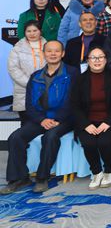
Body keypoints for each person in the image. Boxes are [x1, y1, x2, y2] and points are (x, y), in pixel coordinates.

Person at [0, 41, 77, 194]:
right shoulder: (35, 76)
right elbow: (29, 105)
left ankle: (42, 178)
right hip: (41, 118)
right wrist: (41, 120)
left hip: (64, 119)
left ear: (63, 54)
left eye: (57, 51)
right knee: (15, 137)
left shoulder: (72, 73)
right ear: (44, 54)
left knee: (50, 136)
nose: (53, 54)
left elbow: (73, 101)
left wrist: (57, 119)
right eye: (49, 51)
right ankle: (19, 178)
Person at [70, 46, 111, 190]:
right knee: (89, 142)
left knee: (104, 142)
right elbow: (74, 105)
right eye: (93, 57)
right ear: (88, 61)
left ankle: (109, 171)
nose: (97, 60)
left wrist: (108, 122)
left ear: (106, 60)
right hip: (87, 121)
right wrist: (85, 124)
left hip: (109, 120)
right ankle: (97, 172)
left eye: (100, 57)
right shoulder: (79, 80)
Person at [8, 20, 47, 120]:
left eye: (35, 30)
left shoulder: (49, 47)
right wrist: (30, 83)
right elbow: (13, 69)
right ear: (24, 32)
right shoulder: (17, 48)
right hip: (24, 91)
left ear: (40, 31)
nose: (32, 34)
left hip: (45, 90)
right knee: (26, 124)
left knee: (45, 123)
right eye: (28, 31)